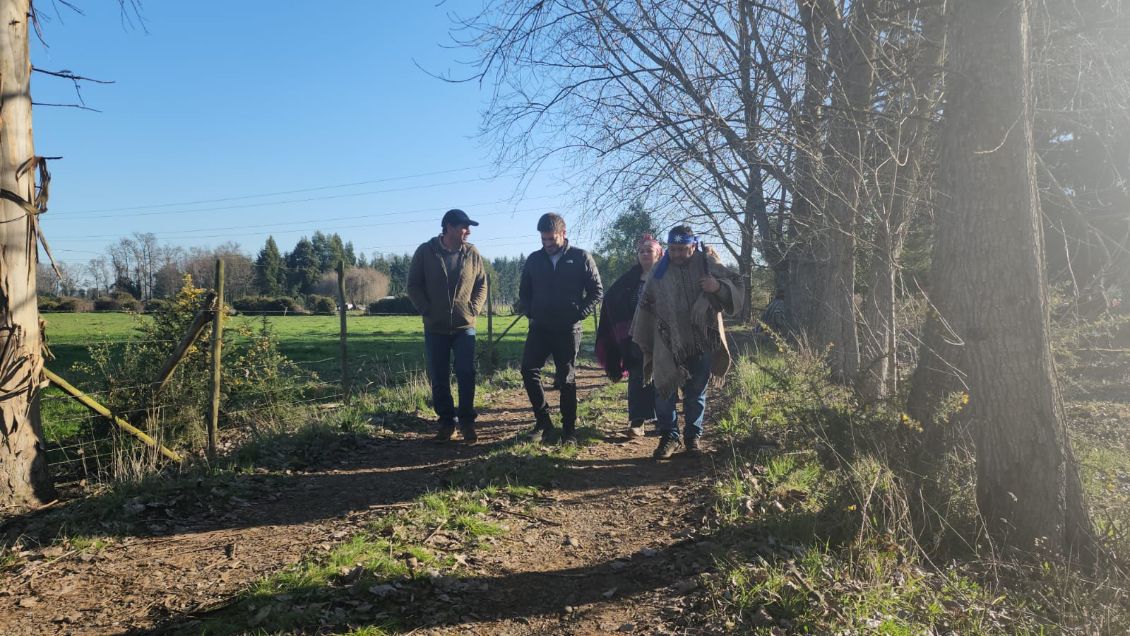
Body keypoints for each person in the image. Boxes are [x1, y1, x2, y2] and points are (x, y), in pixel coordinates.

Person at [630, 225, 743, 459]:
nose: (677, 254)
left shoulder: (708, 262)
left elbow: (737, 284)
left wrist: (718, 286)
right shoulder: (658, 271)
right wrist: (647, 341)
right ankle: (669, 436)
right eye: (672, 249)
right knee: (664, 391)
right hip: (666, 342)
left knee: (695, 393)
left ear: (693, 245)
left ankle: (693, 437)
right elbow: (646, 307)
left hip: (702, 340)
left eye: (683, 249)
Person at [518, 213, 603, 446]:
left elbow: (596, 291)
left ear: (563, 234)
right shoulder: (534, 260)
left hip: (568, 329)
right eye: (543, 240)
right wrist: (530, 311)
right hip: (540, 328)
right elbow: (524, 292)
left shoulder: (581, 257)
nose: (547, 244)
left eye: (551, 239)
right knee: (528, 370)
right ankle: (543, 422)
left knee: (566, 379)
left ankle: (569, 431)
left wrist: (578, 313)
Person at [407, 208, 487, 444]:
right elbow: (413, 285)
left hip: (465, 326)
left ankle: (467, 423)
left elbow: (482, 283)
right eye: (464, 227)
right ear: (449, 227)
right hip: (436, 327)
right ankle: (446, 423)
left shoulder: (472, 253)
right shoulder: (425, 252)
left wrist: (474, 309)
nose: (468, 232)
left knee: (466, 372)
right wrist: (427, 310)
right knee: (439, 376)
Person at [595, 234, 664, 438]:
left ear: (659, 254)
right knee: (637, 376)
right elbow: (612, 298)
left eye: (649, 251)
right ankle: (637, 422)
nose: (644, 254)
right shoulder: (630, 279)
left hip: (663, 335)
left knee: (663, 376)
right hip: (635, 336)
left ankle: (663, 421)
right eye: (641, 251)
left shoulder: (667, 276)